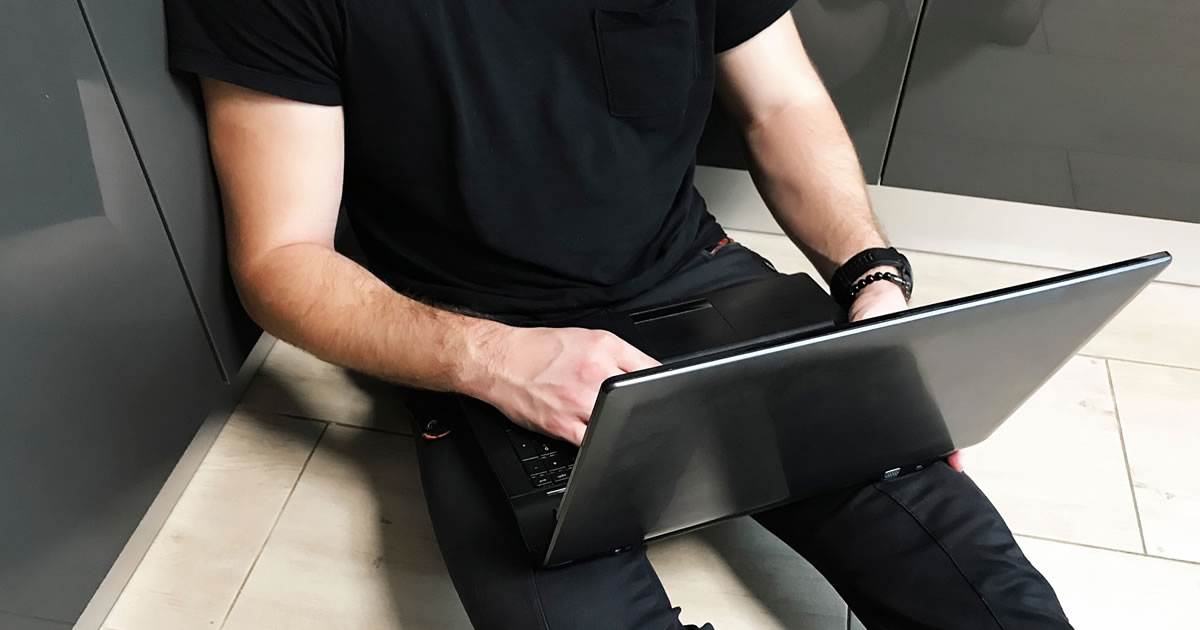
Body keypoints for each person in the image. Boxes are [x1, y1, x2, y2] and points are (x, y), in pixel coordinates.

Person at [166, 1, 1073, 628]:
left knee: (986, 594)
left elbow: (783, 101)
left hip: (696, 278)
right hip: (481, 337)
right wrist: (492, 361)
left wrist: (870, 275)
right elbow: (280, 260)